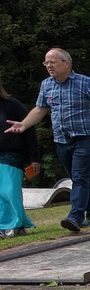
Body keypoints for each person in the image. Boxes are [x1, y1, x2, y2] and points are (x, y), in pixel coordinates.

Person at [5, 48, 90, 233]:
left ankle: (75, 217)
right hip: (62, 140)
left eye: (52, 62)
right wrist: (23, 125)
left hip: (85, 137)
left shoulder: (86, 83)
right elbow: (40, 109)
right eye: (46, 63)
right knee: (80, 178)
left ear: (66, 63)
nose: (49, 66)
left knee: (79, 177)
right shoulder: (46, 85)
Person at [0, 79, 40, 238]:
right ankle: (12, 225)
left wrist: (34, 158)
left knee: (9, 190)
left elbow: (29, 130)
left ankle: (15, 224)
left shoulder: (11, 104)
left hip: (12, 155)